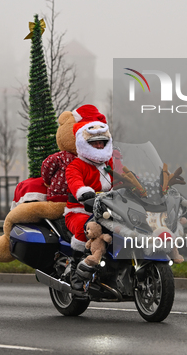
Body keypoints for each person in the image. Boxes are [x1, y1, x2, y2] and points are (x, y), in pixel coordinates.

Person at [64, 105, 113, 289]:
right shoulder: (76, 165)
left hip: (109, 211)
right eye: (94, 143)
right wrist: (83, 192)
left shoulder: (110, 164)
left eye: (102, 142)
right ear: (84, 143)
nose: (99, 145)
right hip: (79, 211)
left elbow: (127, 179)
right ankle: (76, 271)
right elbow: (74, 181)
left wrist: (142, 188)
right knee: (87, 230)